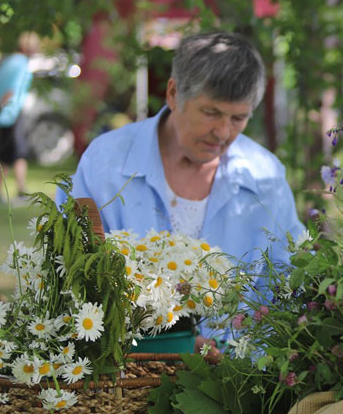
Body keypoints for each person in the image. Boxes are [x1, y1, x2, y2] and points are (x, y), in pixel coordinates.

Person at [62, 31, 304, 340]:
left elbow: (287, 286)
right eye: (210, 112)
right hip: (129, 371)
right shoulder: (106, 161)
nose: (222, 132)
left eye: (238, 118)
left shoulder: (264, 176)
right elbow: (71, 272)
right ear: (174, 94)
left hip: (239, 377)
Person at [0, 31, 38, 203]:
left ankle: (4, 192)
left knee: (7, 153)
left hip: (3, 114)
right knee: (17, 152)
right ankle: (17, 191)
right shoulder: (21, 63)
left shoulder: (8, 61)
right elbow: (11, 91)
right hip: (11, 113)